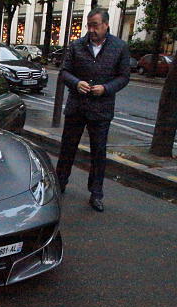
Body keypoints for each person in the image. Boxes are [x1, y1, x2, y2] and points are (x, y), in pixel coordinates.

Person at [55, 8, 130, 212]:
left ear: (106, 25)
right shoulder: (77, 45)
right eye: (89, 25)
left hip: (101, 109)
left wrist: (106, 88)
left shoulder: (119, 47)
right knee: (67, 149)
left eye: (95, 25)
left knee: (98, 153)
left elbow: (124, 77)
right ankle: (59, 185)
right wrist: (76, 82)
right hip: (77, 107)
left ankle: (96, 194)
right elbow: (64, 72)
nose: (91, 29)